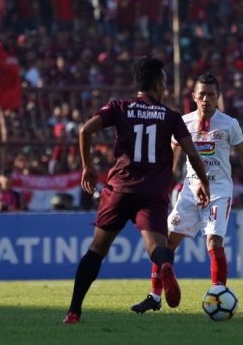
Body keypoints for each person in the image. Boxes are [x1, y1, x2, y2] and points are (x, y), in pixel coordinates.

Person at [63, 56, 210, 324]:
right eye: (164, 80)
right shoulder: (170, 116)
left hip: (119, 188)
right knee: (157, 247)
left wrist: (88, 168)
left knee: (97, 250)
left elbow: (85, 130)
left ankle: (74, 311)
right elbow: (192, 152)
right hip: (152, 193)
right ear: (158, 82)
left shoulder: (120, 107)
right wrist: (204, 183)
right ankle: (165, 266)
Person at [130, 73, 243, 314]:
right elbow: (172, 156)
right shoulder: (184, 123)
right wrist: (164, 181)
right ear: (193, 97)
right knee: (166, 242)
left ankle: (218, 295)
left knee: (213, 241)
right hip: (190, 191)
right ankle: (154, 296)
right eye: (202, 94)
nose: (206, 99)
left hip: (219, 191)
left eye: (211, 95)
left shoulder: (229, 124)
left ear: (218, 97)